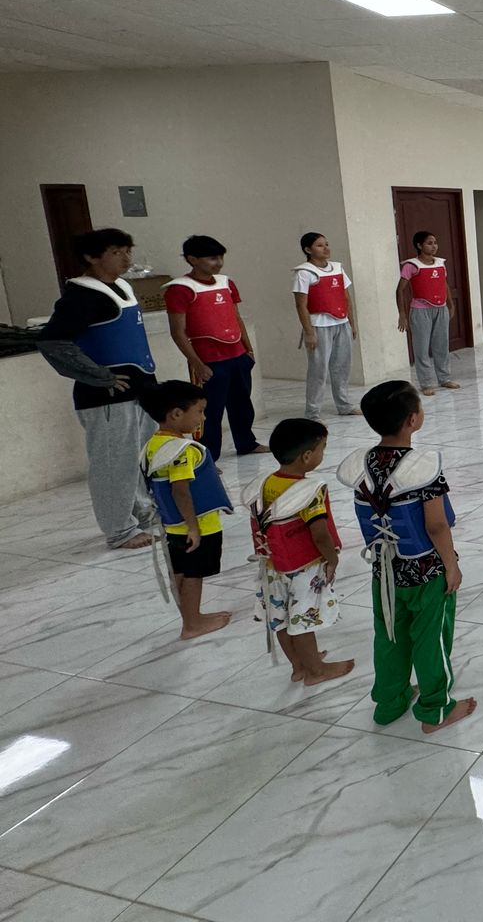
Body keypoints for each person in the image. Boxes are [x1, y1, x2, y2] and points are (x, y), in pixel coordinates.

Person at [338, 381, 476, 733]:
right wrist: (451, 565)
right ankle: (435, 710)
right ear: (413, 419)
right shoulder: (423, 468)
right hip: (426, 571)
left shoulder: (362, 465)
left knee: (389, 635)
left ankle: (390, 701)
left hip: (384, 571)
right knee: (431, 640)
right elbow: (436, 525)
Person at [37, 228, 162, 550]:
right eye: (116, 252)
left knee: (139, 458)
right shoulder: (81, 296)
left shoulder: (122, 287)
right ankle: (119, 530)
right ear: (91, 257)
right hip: (106, 398)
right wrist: (100, 376)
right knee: (113, 465)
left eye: (127, 251)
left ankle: (143, 512)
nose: (126, 259)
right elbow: (53, 342)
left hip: (141, 389)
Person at [248, 417, 354, 686]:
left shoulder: (265, 483)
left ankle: (299, 665)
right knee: (302, 620)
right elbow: (319, 533)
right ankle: (316, 671)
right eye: (322, 448)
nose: (323, 453)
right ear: (307, 456)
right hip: (302, 568)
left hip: (271, 566)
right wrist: (332, 558)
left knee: (281, 618)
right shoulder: (308, 490)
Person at [139, 380, 233, 639]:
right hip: (197, 525)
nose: (203, 418)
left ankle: (192, 617)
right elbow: (180, 490)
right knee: (194, 574)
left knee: (180, 571)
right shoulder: (181, 450)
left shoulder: (153, 444)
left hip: (172, 525)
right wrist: (193, 527)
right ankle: (192, 625)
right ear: (176, 414)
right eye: (199, 411)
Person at [163, 235, 269, 461]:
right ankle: (208, 456)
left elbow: (236, 318)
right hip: (209, 360)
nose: (218, 263)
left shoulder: (226, 283)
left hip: (238, 355)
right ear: (192, 259)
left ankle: (246, 443)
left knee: (242, 403)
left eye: (220, 257)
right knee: (208, 411)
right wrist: (197, 364)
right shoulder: (180, 289)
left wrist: (248, 351)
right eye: (212, 258)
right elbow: (178, 331)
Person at [292, 232, 359, 420]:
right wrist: (309, 332)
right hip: (319, 326)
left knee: (342, 367)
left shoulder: (338, 268)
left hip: (342, 323)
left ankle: (344, 405)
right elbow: (301, 305)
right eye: (320, 245)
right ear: (308, 249)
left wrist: (352, 323)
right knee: (318, 370)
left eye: (326, 244)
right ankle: (313, 413)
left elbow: (346, 298)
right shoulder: (304, 273)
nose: (326, 248)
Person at [397, 230, 459, 396]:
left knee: (442, 345)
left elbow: (444, 284)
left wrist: (450, 303)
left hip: (441, 309)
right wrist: (402, 314)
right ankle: (425, 383)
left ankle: (444, 378)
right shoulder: (411, 266)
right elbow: (400, 290)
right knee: (422, 348)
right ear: (419, 245)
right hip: (420, 310)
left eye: (435, 243)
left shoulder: (440, 263)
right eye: (429, 243)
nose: (434, 246)